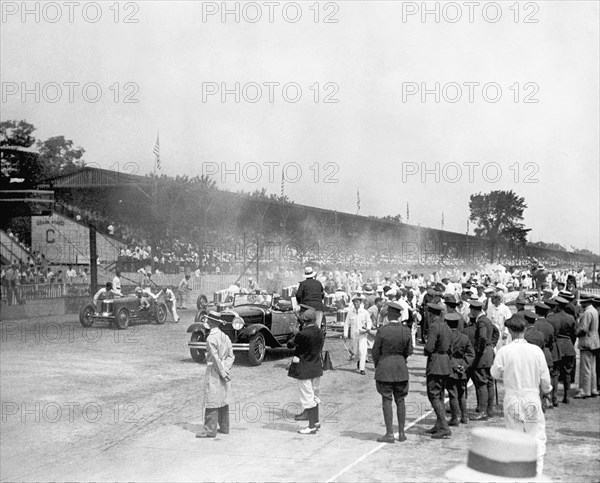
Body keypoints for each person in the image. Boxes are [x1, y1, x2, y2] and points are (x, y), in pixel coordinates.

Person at [491, 315, 552, 477]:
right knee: (536, 437)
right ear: (525, 329)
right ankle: (535, 476)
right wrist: (546, 391)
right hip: (531, 398)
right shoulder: (536, 351)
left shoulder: (505, 351)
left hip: (512, 398)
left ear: (510, 330)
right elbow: (545, 379)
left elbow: (495, 373)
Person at [372, 302, 412, 443]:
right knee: (401, 400)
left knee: (386, 401)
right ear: (399, 316)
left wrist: (379, 365)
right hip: (401, 369)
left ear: (388, 316)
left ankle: (389, 433)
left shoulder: (382, 331)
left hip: (385, 368)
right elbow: (409, 351)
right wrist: (401, 359)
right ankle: (401, 433)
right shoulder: (405, 330)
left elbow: (375, 352)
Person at [196, 311, 234, 438]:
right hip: (224, 369)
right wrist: (226, 369)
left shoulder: (210, 338)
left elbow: (215, 358)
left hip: (214, 370)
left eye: (207, 321)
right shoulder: (225, 336)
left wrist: (222, 372)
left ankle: (210, 430)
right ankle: (224, 427)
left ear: (211, 323)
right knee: (223, 398)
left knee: (211, 398)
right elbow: (231, 356)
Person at [288, 309, 325, 434]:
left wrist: (295, 333)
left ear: (304, 321)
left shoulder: (302, 334)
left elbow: (290, 344)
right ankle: (316, 421)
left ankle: (311, 426)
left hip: (304, 367)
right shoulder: (320, 332)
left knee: (307, 397)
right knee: (314, 395)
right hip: (316, 366)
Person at [424, 302, 453, 438]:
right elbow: (451, 348)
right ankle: (439, 424)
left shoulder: (434, 327)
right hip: (445, 362)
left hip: (435, 363)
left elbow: (429, 347)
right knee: (440, 394)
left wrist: (426, 351)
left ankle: (444, 426)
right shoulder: (446, 326)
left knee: (433, 395)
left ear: (430, 314)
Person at [469, 300, 497, 420]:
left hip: (482, 356)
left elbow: (482, 337)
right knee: (489, 382)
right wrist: (492, 344)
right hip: (489, 353)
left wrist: (479, 351)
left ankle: (482, 410)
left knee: (481, 383)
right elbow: (496, 332)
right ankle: (489, 409)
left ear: (474, 310)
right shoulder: (487, 319)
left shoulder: (481, 322)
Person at [446, 312, 475, 427]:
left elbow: (446, 354)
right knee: (461, 393)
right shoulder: (464, 337)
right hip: (462, 370)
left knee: (453, 393)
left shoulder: (446, 337)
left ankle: (455, 417)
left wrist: (454, 366)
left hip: (451, 369)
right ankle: (464, 416)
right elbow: (470, 354)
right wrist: (464, 365)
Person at [548, 297, 577, 404]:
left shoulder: (552, 318)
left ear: (557, 306)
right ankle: (566, 396)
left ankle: (554, 398)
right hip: (568, 346)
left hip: (556, 347)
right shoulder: (571, 318)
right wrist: (570, 344)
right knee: (567, 373)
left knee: (555, 373)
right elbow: (575, 334)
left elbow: (551, 335)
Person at [574, 294, 599, 398]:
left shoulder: (587, 312)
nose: (581, 304)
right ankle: (593, 389)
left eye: (583, 302)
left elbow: (583, 328)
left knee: (585, 368)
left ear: (587, 302)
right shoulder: (594, 311)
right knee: (592, 368)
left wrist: (576, 332)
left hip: (587, 341)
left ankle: (585, 390)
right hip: (594, 340)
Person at [343, 294, 372, 374]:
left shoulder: (364, 312)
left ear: (360, 303)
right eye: (354, 302)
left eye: (357, 302)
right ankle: (359, 360)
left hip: (362, 334)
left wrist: (368, 329)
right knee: (355, 352)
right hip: (354, 335)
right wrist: (345, 334)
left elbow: (369, 322)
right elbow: (346, 323)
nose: (356, 304)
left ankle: (362, 369)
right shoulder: (350, 313)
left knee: (363, 351)